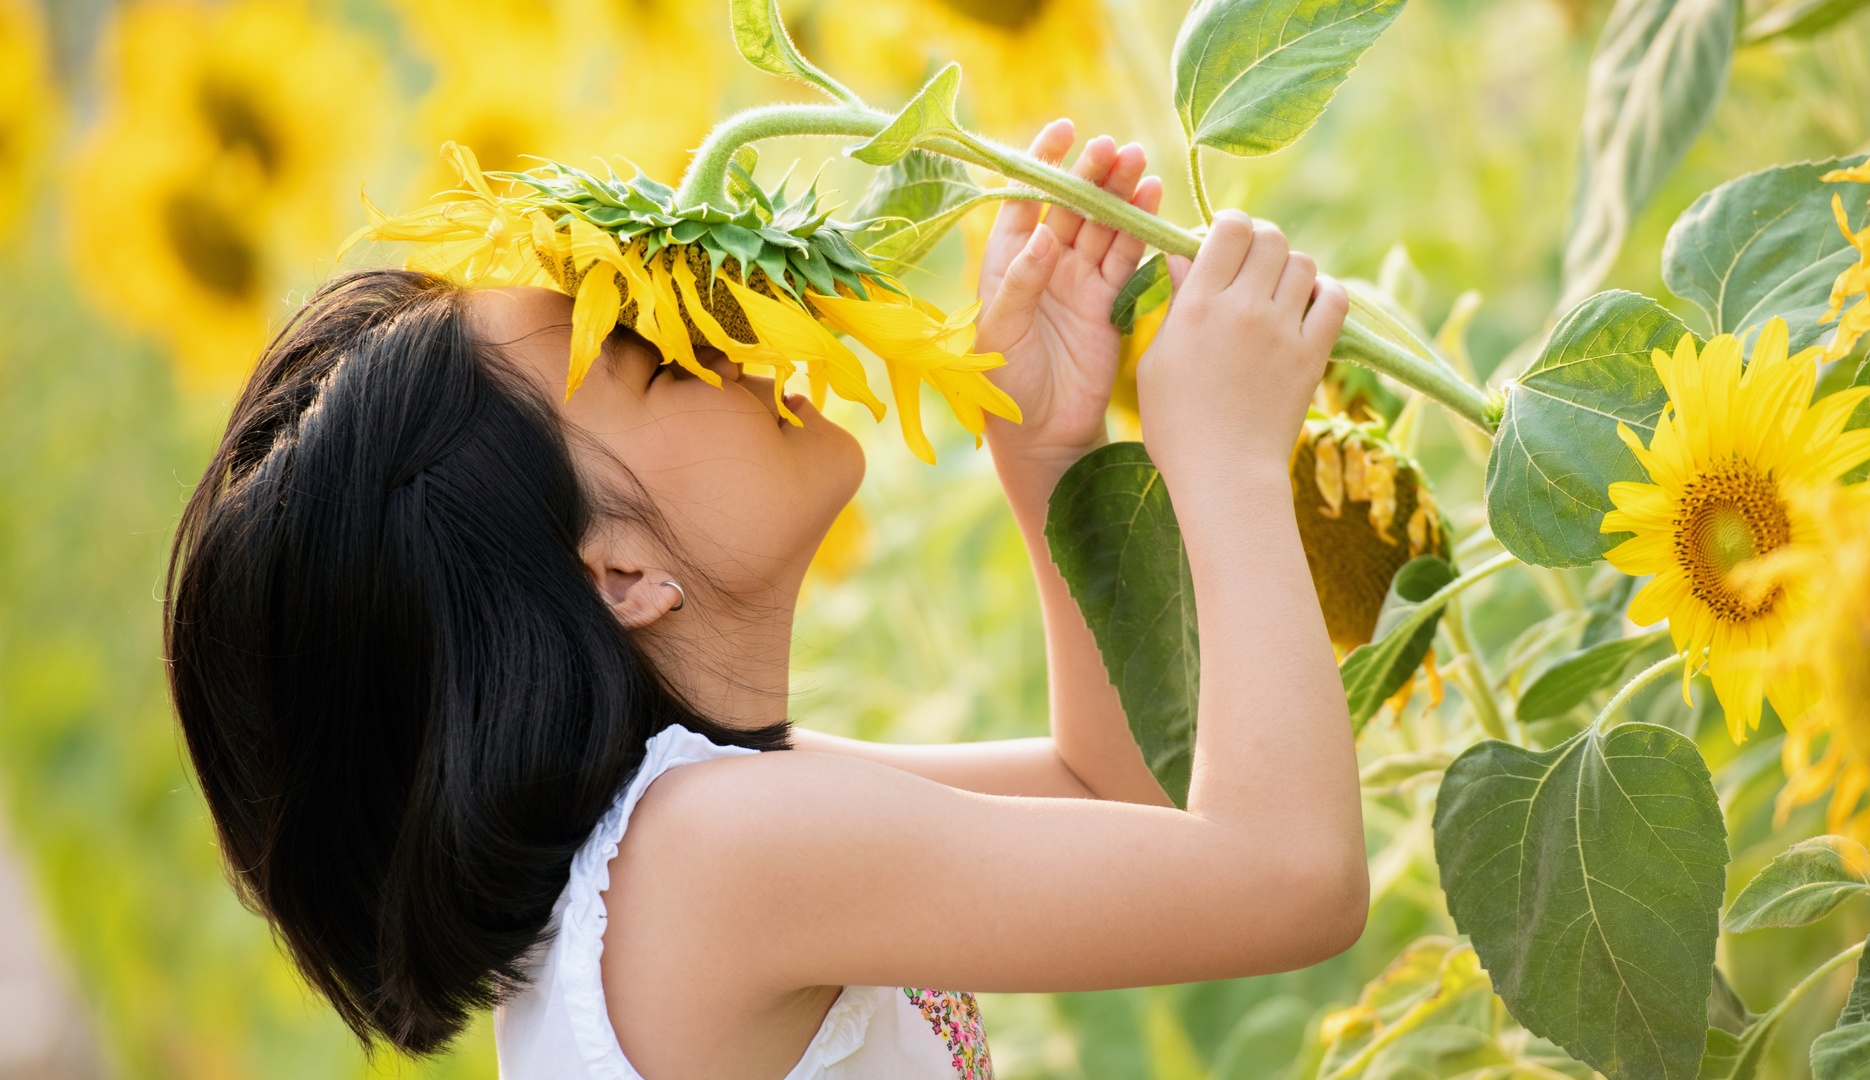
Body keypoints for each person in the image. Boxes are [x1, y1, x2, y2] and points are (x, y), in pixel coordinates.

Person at [164, 121, 1363, 1080]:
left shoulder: (696, 827)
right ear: (620, 572)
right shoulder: (710, 856)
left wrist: (1046, 458)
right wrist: (1229, 459)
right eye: (665, 357)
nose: (733, 332)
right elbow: (1289, 880)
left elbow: (1108, 795)